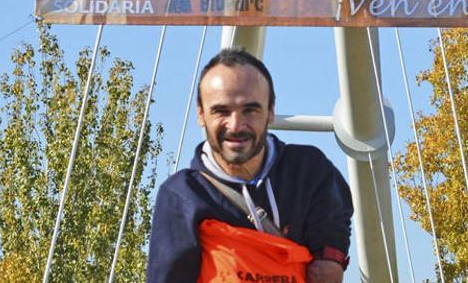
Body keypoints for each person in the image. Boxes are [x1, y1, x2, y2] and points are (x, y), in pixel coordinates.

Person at [146, 48, 353, 282]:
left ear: (270, 112)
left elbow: (332, 235)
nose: (235, 126)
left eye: (250, 110)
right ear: (201, 114)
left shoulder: (309, 171)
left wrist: (331, 259)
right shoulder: (182, 196)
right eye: (221, 111)